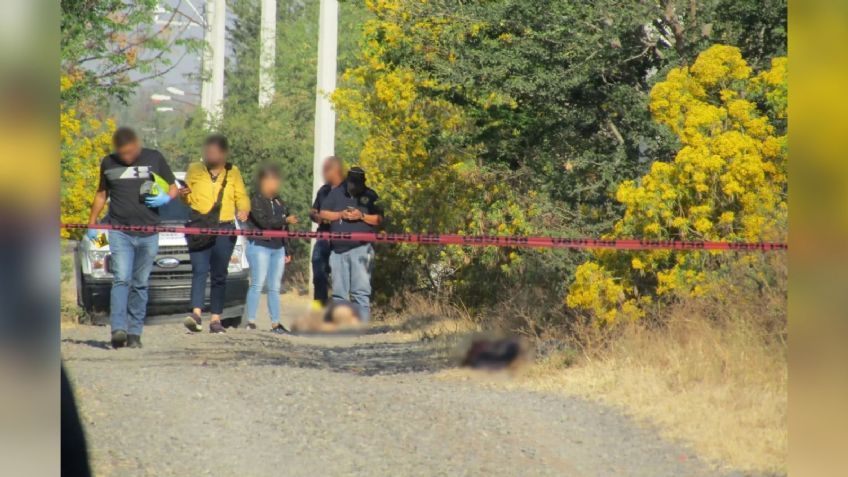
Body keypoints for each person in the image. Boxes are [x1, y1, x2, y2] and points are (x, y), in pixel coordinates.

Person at [85, 127, 177, 348]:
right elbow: (101, 194)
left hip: (149, 232)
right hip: (120, 231)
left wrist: (164, 198)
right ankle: (118, 330)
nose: (126, 157)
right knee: (121, 279)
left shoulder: (154, 157)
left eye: (130, 153)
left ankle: (135, 333)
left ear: (137, 146)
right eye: (122, 153)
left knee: (140, 283)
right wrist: (93, 221)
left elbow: (174, 187)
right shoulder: (108, 163)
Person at [179, 134, 250, 334]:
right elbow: (187, 198)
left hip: (224, 227)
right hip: (199, 226)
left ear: (224, 154)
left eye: (215, 152)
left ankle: (216, 318)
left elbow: (241, 196)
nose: (211, 155)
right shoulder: (194, 169)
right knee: (199, 270)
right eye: (208, 151)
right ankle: (196, 314)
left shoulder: (233, 172)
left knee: (219, 274)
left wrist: (243, 209)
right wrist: (184, 196)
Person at [319, 166, 384, 322]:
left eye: (357, 184)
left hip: (361, 249)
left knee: (360, 291)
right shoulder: (336, 193)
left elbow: (379, 219)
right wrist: (340, 214)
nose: (354, 187)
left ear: (363, 183)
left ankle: (361, 324)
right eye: (352, 184)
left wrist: (361, 216)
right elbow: (323, 213)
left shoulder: (371, 195)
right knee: (339, 292)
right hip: (338, 250)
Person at [244, 164, 297, 333]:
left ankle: (275, 322)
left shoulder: (280, 201)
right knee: (257, 284)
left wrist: (287, 250)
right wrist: (285, 221)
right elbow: (264, 223)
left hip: (277, 247)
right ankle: (251, 321)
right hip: (260, 246)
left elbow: (284, 230)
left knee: (275, 287)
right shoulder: (255, 200)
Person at [309, 156, 345, 307]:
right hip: (322, 238)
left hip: (341, 240)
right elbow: (313, 210)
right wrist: (316, 216)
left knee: (340, 279)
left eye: (327, 170)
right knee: (318, 276)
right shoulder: (323, 190)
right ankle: (318, 312)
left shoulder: (347, 191)